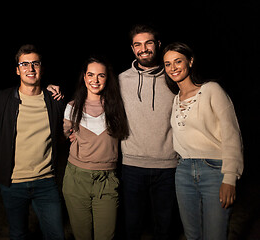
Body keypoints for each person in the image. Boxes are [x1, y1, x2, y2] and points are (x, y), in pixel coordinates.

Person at [163, 42, 244, 240]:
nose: (173, 68)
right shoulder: (175, 99)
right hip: (183, 172)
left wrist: (230, 177)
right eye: (167, 64)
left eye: (178, 61)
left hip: (214, 171)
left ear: (190, 61)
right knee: (192, 236)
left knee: (215, 235)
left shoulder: (211, 90)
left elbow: (232, 135)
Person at [0, 44, 65, 240]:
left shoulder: (55, 100)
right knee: (18, 234)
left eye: (35, 63)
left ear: (41, 67)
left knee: (56, 235)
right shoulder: (1, 99)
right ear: (17, 70)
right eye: (24, 64)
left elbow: (64, 132)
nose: (30, 68)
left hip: (46, 182)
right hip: (13, 183)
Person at [118, 24, 179, 240]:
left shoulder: (174, 77)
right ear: (133, 49)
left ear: (158, 44)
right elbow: (92, 93)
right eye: (137, 44)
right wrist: (55, 92)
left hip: (168, 166)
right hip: (132, 165)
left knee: (164, 227)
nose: (143, 49)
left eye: (148, 43)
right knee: (132, 226)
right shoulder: (121, 80)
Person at [62, 56, 129, 240]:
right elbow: (66, 134)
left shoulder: (117, 107)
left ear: (108, 79)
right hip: (77, 180)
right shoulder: (72, 107)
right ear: (84, 77)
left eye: (101, 75)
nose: (95, 80)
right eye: (91, 75)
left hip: (107, 181)